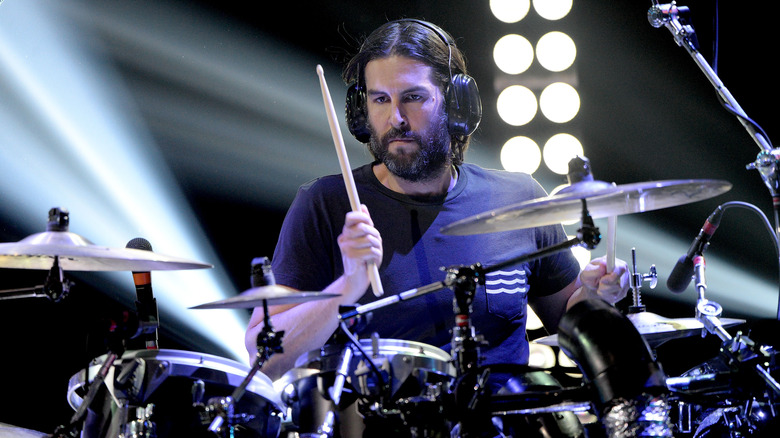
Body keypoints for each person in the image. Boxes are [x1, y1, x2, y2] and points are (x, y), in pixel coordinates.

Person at [245, 17, 628, 417]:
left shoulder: (519, 197)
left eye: (413, 97)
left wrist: (594, 296)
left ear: (456, 104)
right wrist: (346, 287)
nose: (395, 119)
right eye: (379, 100)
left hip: (502, 422)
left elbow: (570, 322)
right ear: (361, 112)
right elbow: (264, 356)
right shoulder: (326, 204)